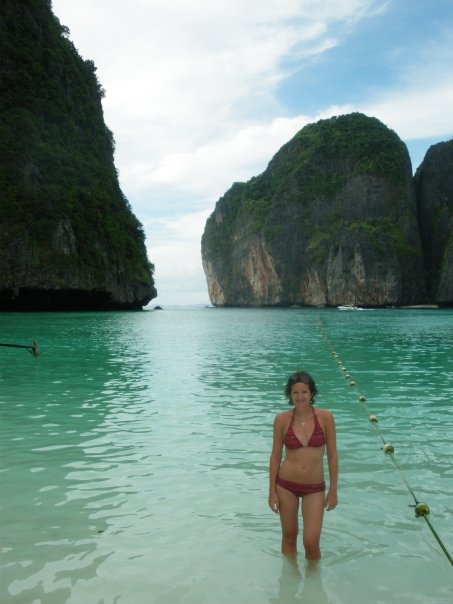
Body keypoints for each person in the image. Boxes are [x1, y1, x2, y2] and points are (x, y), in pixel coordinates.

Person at [269, 371, 338, 560]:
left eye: (304, 392)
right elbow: (275, 456)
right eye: (295, 393)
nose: (300, 397)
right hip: (285, 486)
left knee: (311, 542)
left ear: (312, 393)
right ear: (289, 395)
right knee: (289, 536)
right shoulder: (281, 419)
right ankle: (288, 576)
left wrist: (333, 490)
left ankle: (314, 578)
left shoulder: (326, 417)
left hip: (314, 488)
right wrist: (271, 492)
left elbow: (333, 456)